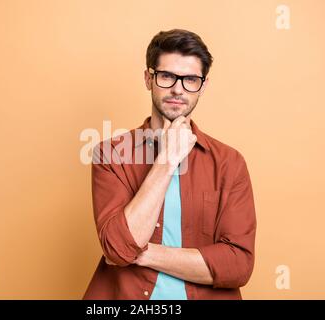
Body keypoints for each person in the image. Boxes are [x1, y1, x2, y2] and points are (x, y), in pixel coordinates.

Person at [83, 29, 257, 300]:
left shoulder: (229, 163)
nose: (178, 89)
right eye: (167, 76)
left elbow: (238, 265)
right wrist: (166, 160)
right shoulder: (110, 155)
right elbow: (118, 249)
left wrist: (143, 253)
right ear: (148, 79)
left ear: (203, 86)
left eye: (190, 79)